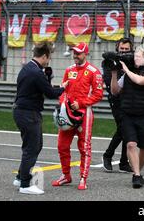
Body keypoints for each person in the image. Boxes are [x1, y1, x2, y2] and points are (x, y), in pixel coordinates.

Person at [13, 43, 67, 195]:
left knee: (32, 146)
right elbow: (50, 93)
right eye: (48, 58)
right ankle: (24, 184)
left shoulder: (27, 68)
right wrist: (64, 87)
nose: (48, 61)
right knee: (32, 147)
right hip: (28, 113)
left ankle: (20, 176)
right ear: (44, 56)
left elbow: (39, 89)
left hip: (22, 111)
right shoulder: (36, 72)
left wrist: (47, 77)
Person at [52, 43, 104, 190]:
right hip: (68, 114)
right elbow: (64, 90)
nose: (75, 55)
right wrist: (62, 105)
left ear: (85, 53)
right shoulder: (69, 70)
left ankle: (83, 178)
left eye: (79, 53)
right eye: (74, 53)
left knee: (84, 147)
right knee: (62, 145)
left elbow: (98, 94)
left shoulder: (94, 72)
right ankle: (66, 175)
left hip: (84, 114)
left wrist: (81, 103)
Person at [110, 47, 144, 189]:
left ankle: (138, 172)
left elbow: (140, 81)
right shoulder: (126, 75)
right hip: (127, 115)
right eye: (135, 56)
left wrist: (126, 70)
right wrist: (114, 73)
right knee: (130, 144)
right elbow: (114, 91)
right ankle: (136, 175)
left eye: (138, 56)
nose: (135, 58)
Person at [102, 38, 134, 174]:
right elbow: (109, 81)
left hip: (129, 99)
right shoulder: (109, 61)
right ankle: (108, 155)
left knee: (126, 129)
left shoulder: (132, 62)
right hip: (116, 99)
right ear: (117, 48)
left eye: (127, 49)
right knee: (123, 128)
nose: (124, 51)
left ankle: (123, 162)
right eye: (122, 49)